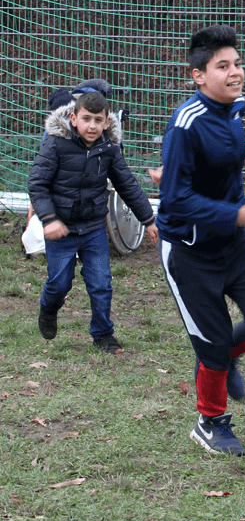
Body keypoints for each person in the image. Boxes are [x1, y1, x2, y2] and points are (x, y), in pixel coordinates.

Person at [153, 25, 245, 457]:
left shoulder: (235, 110)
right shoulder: (185, 123)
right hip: (189, 253)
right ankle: (209, 422)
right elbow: (174, 203)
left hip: (235, 242)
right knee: (210, 346)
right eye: (223, 66)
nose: (236, 73)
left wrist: (236, 214)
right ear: (198, 75)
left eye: (237, 64)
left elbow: (212, 176)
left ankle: (221, 354)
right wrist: (240, 214)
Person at [28, 91, 158, 353]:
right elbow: (37, 184)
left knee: (101, 283)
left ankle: (103, 334)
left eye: (98, 120)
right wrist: (49, 219)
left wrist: (148, 219)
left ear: (107, 122)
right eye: (86, 119)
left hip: (94, 227)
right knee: (59, 283)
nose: (92, 126)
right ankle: (48, 308)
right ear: (73, 119)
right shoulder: (55, 144)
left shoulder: (108, 150)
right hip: (61, 229)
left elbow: (128, 185)